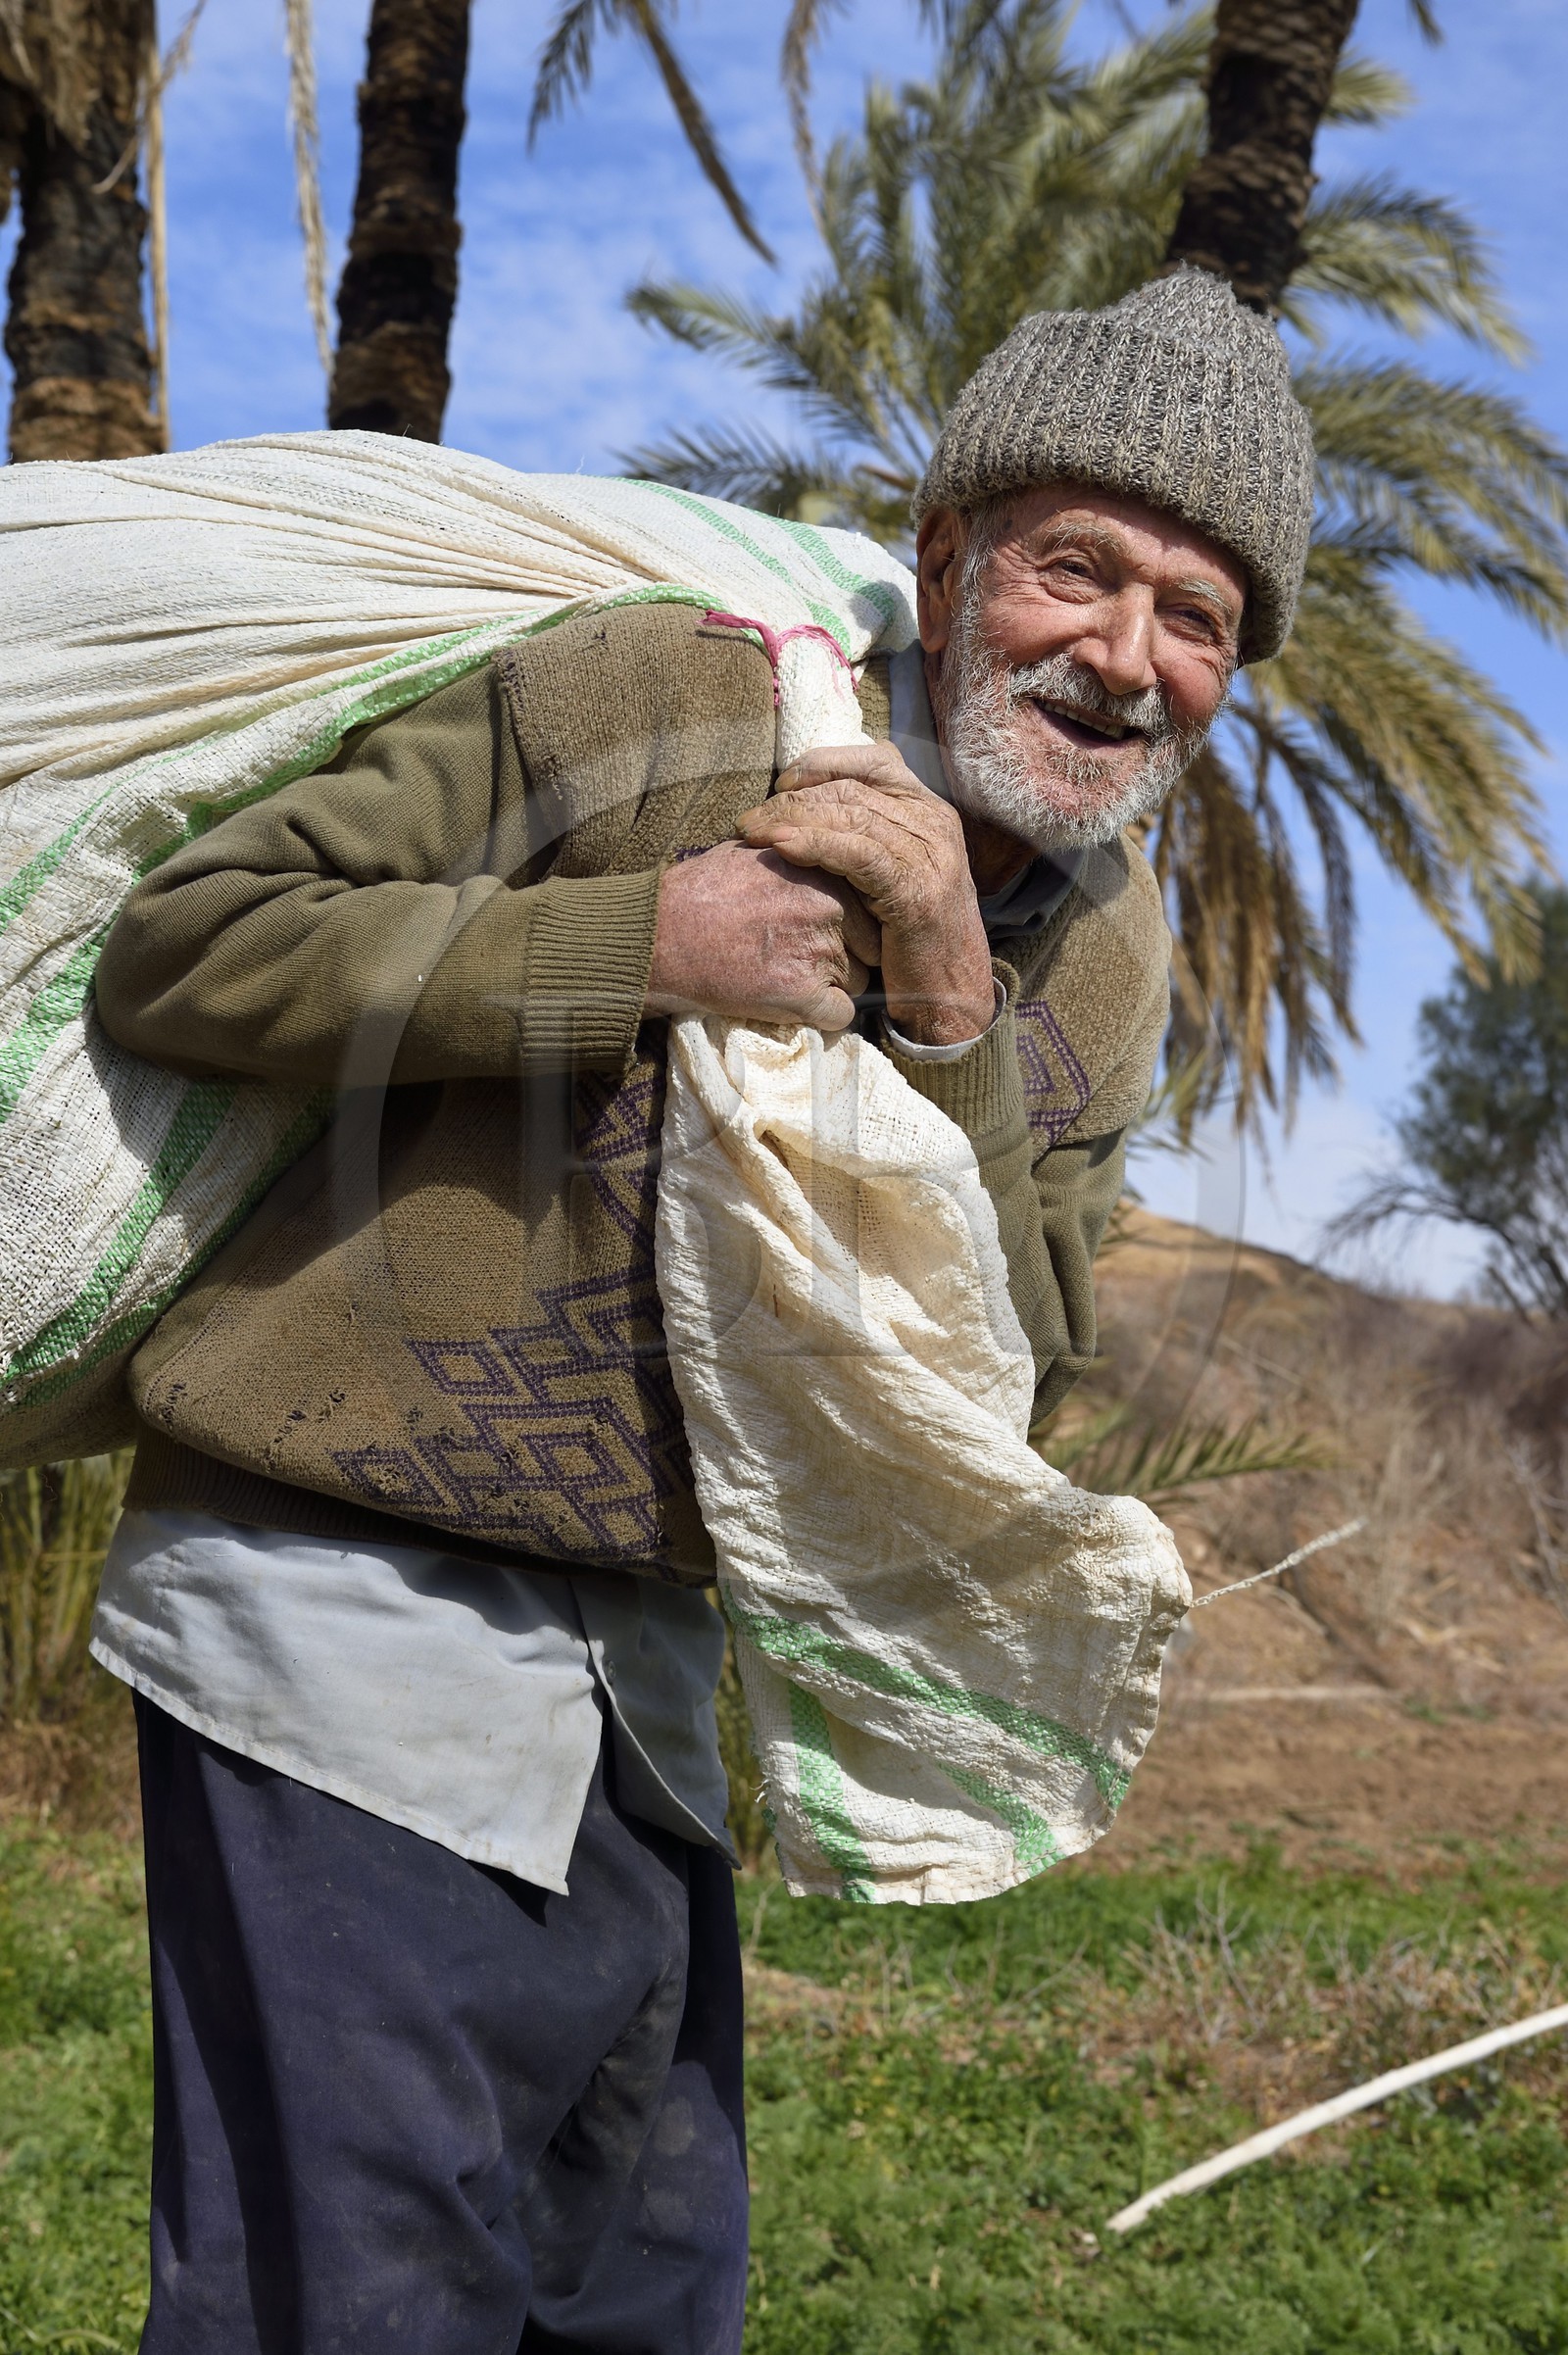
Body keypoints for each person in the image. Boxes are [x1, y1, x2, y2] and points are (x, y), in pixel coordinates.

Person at [88, 266, 1313, 2353]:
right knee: (351, 2305)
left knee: (644, 2301)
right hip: (341, 1612)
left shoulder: (1100, 965)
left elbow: (1013, 1359)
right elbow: (187, 949)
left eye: (1192, 617)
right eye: (1072, 572)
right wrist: (641, 932)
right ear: (942, 565)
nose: (1121, 659)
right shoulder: (646, 703)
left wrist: (941, 1005)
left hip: (652, 1693)